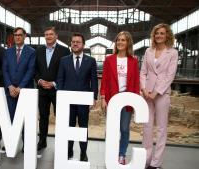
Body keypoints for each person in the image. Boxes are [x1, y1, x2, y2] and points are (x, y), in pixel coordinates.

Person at [141, 23, 178, 169]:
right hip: (147, 93)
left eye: (162, 33)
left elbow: (170, 75)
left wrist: (156, 92)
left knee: (161, 129)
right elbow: (143, 71)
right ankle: (146, 160)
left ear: (167, 35)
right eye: (157, 33)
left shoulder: (172, 53)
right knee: (147, 127)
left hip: (162, 94)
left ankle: (156, 163)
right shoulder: (148, 51)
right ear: (153, 36)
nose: (159, 36)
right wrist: (144, 89)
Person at [100, 31, 140, 165]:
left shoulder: (133, 61)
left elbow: (136, 82)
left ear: (128, 43)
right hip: (112, 99)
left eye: (123, 40)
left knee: (124, 128)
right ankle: (111, 153)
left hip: (127, 99)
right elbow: (104, 79)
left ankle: (121, 154)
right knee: (111, 129)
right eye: (118, 40)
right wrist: (103, 98)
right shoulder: (109, 59)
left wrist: (135, 102)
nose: (120, 42)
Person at [57, 33, 98, 161]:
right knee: (68, 126)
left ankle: (83, 152)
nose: (75, 44)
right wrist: (61, 96)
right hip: (67, 101)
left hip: (83, 101)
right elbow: (60, 79)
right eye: (73, 42)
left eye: (78, 42)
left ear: (83, 45)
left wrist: (94, 97)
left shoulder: (90, 61)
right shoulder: (64, 60)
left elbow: (94, 81)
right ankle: (68, 151)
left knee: (83, 127)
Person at [35, 26, 70, 151]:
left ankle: (60, 143)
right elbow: (36, 69)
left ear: (56, 36)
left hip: (57, 90)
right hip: (42, 90)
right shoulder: (38, 50)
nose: (48, 36)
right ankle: (42, 141)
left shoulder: (65, 51)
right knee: (43, 117)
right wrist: (39, 81)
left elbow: (66, 70)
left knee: (60, 116)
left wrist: (54, 83)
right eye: (46, 34)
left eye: (51, 34)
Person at [3, 27, 35, 152]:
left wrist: (20, 87)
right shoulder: (8, 52)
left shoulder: (31, 52)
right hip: (10, 91)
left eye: (20, 35)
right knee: (10, 117)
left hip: (25, 91)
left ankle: (26, 144)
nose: (17, 37)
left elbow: (30, 71)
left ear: (24, 36)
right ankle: (11, 143)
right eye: (15, 35)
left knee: (26, 120)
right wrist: (10, 86)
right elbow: (5, 70)